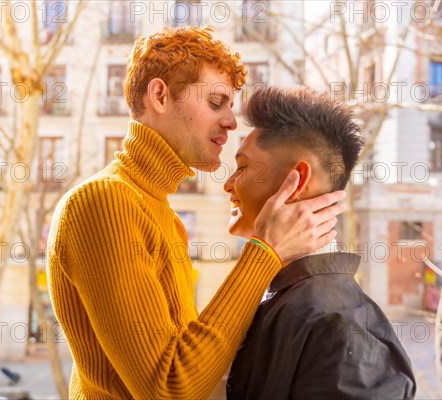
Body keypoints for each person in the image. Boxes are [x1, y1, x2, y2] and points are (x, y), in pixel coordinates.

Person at [46, 27, 346, 399]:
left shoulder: (161, 213)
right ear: (159, 95)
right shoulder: (105, 201)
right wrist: (265, 251)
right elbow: (170, 389)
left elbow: (191, 365)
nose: (231, 122)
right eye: (216, 102)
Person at [224, 86, 416, 399]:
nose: (228, 184)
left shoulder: (340, 325)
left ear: (295, 181)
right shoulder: (290, 298)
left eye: (243, 166)